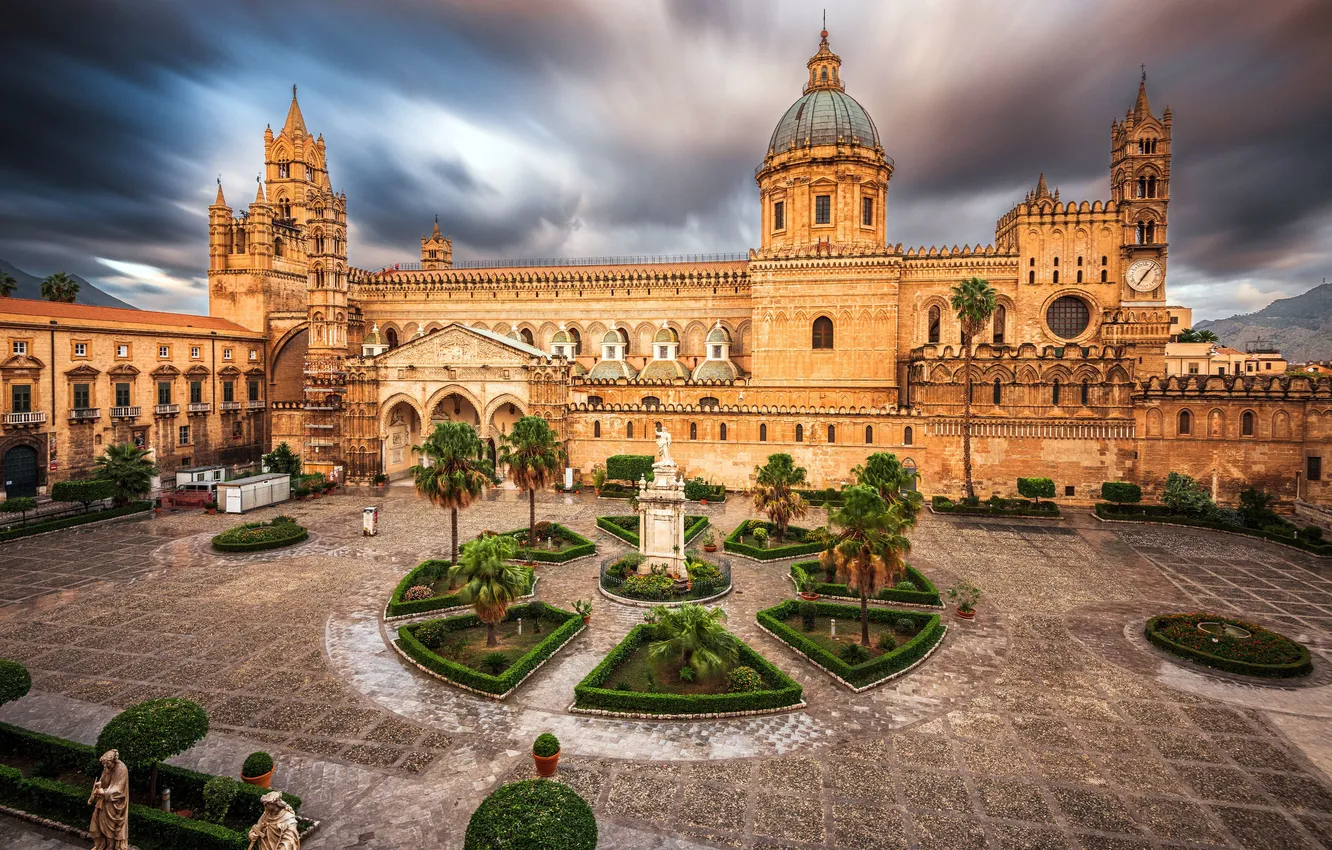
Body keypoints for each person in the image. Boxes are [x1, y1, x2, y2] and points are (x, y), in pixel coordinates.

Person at [88, 749, 129, 850]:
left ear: (113, 761)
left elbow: (118, 788)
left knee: (112, 832)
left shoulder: (121, 769)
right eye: (104, 764)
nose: (105, 767)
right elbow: (103, 781)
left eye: (107, 764)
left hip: (115, 805)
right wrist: (97, 789)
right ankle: (100, 846)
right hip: (103, 802)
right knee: (94, 827)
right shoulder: (107, 767)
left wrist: (103, 792)